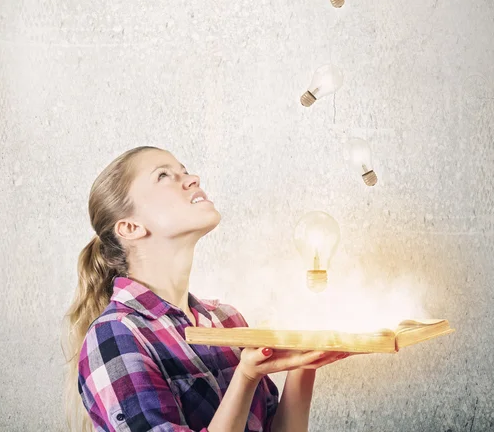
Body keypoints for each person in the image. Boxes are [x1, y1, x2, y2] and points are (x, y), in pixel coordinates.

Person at [61, 146, 353, 432]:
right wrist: (246, 376)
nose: (192, 179)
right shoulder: (115, 334)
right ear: (130, 228)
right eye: (164, 176)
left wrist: (305, 362)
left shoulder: (228, 322)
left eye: (185, 171)